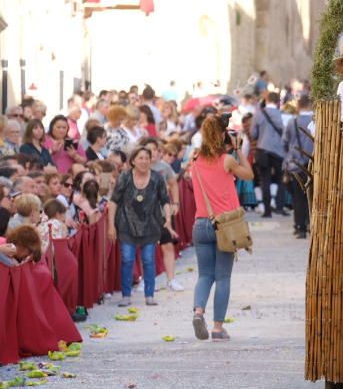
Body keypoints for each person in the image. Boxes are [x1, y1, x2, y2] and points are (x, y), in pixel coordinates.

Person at [190, 115, 254, 340]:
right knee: (223, 277)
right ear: (222, 135)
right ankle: (217, 327)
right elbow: (249, 175)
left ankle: (198, 312)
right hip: (224, 225)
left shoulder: (194, 158)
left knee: (205, 275)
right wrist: (239, 150)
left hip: (201, 223)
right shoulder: (227, 160)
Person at [107, 147, 171, 308]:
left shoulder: (157, 178)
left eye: (147, 158)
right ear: (133, 161)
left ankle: (149, 294)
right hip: (126, 224)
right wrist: (111, 225)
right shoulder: (125, 177)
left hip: (150, 225)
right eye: (140, 158)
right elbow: (114, 201)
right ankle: (126, 295)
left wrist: (168, 219)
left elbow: (165, 200)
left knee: (148, 260)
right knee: (127, 259)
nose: (144, 161)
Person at [141, 137, 184, 292]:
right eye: (148, 149)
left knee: (167, 246)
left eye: (154, 149)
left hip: (162, 213)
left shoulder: (164, 167)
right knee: (146, 247)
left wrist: (176, 203)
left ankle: (171, 279)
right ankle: (144, 279)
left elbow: (173, 184)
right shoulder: (136, 167)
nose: (152, 152)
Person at [251, 91, 289, 218]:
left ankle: (267, 211)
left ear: (266, 100)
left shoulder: (258, 114)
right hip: (279, 151)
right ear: (278, 102)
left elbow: (253, 134)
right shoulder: (282, 115)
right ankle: (279, 207)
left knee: (265, 179)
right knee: (280, 179)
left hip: (262, 150)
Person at [282, 94, 315, 239]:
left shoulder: (292, 122)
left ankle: (299, 227)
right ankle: (310, 224)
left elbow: (285, 142)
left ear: (299, 106)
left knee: (297, 197)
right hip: (313, 164)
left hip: (295, 164)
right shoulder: (317, 121)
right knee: (312, 195)